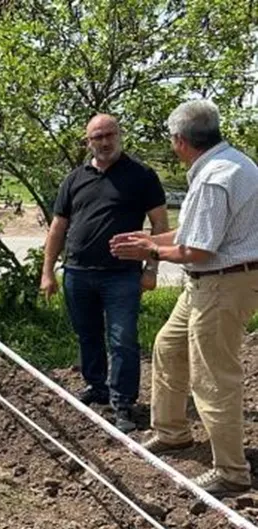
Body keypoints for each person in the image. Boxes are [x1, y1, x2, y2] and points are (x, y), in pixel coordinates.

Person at [110, 99, 258, 497]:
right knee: (169, 346)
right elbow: (192, 233)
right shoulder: (229, 164)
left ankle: (231, 471)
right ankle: (172, 432)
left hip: (221, 283)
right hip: (210, 281)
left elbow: (199, 251)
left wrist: (149, 253)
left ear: (179, 140)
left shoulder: (213, 179)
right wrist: (150, 239)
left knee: (212, 376)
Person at [41, 114, 169, 432]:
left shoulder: (141, 175)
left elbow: (160, 225)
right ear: (88, 142)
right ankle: (96, 387)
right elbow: (58, 227)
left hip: (122, 276)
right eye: (96, 137)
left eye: (109, 134)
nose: (104, 141)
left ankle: (123, 403)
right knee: (88, 334)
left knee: (122, 339)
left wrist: (151, 267)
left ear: (119, 135)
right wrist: (47, 272)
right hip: (78, 273)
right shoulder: (75, 179)